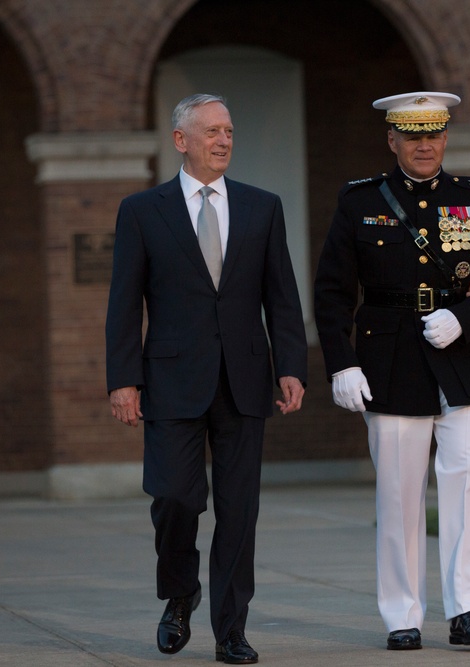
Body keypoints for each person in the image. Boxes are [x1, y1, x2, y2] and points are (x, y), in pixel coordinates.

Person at [313, 91, 470, 651]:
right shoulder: (359, 201)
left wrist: (465, 316)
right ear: (392, 140)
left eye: (433, 133)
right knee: (400, 495)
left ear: (446, 137)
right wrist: (342, 362)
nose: (424, 144)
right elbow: (333, 291)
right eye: (412, 135)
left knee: (466, 487)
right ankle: (401, 614)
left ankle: (468, 610)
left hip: (463, 358)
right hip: (389, 359)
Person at [105, 93, 307, 664]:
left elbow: (281, 295)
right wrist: (123, 379)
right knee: (173, 497)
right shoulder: (143, 211)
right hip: (170, 381)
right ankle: (179, 592)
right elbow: (123, 303)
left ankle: (230, 630)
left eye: (230, 132)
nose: (224, 140)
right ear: (181, 140)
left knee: (239, 511)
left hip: (245, 378)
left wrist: (290, 366)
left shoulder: (262, 207)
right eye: (212, 131)